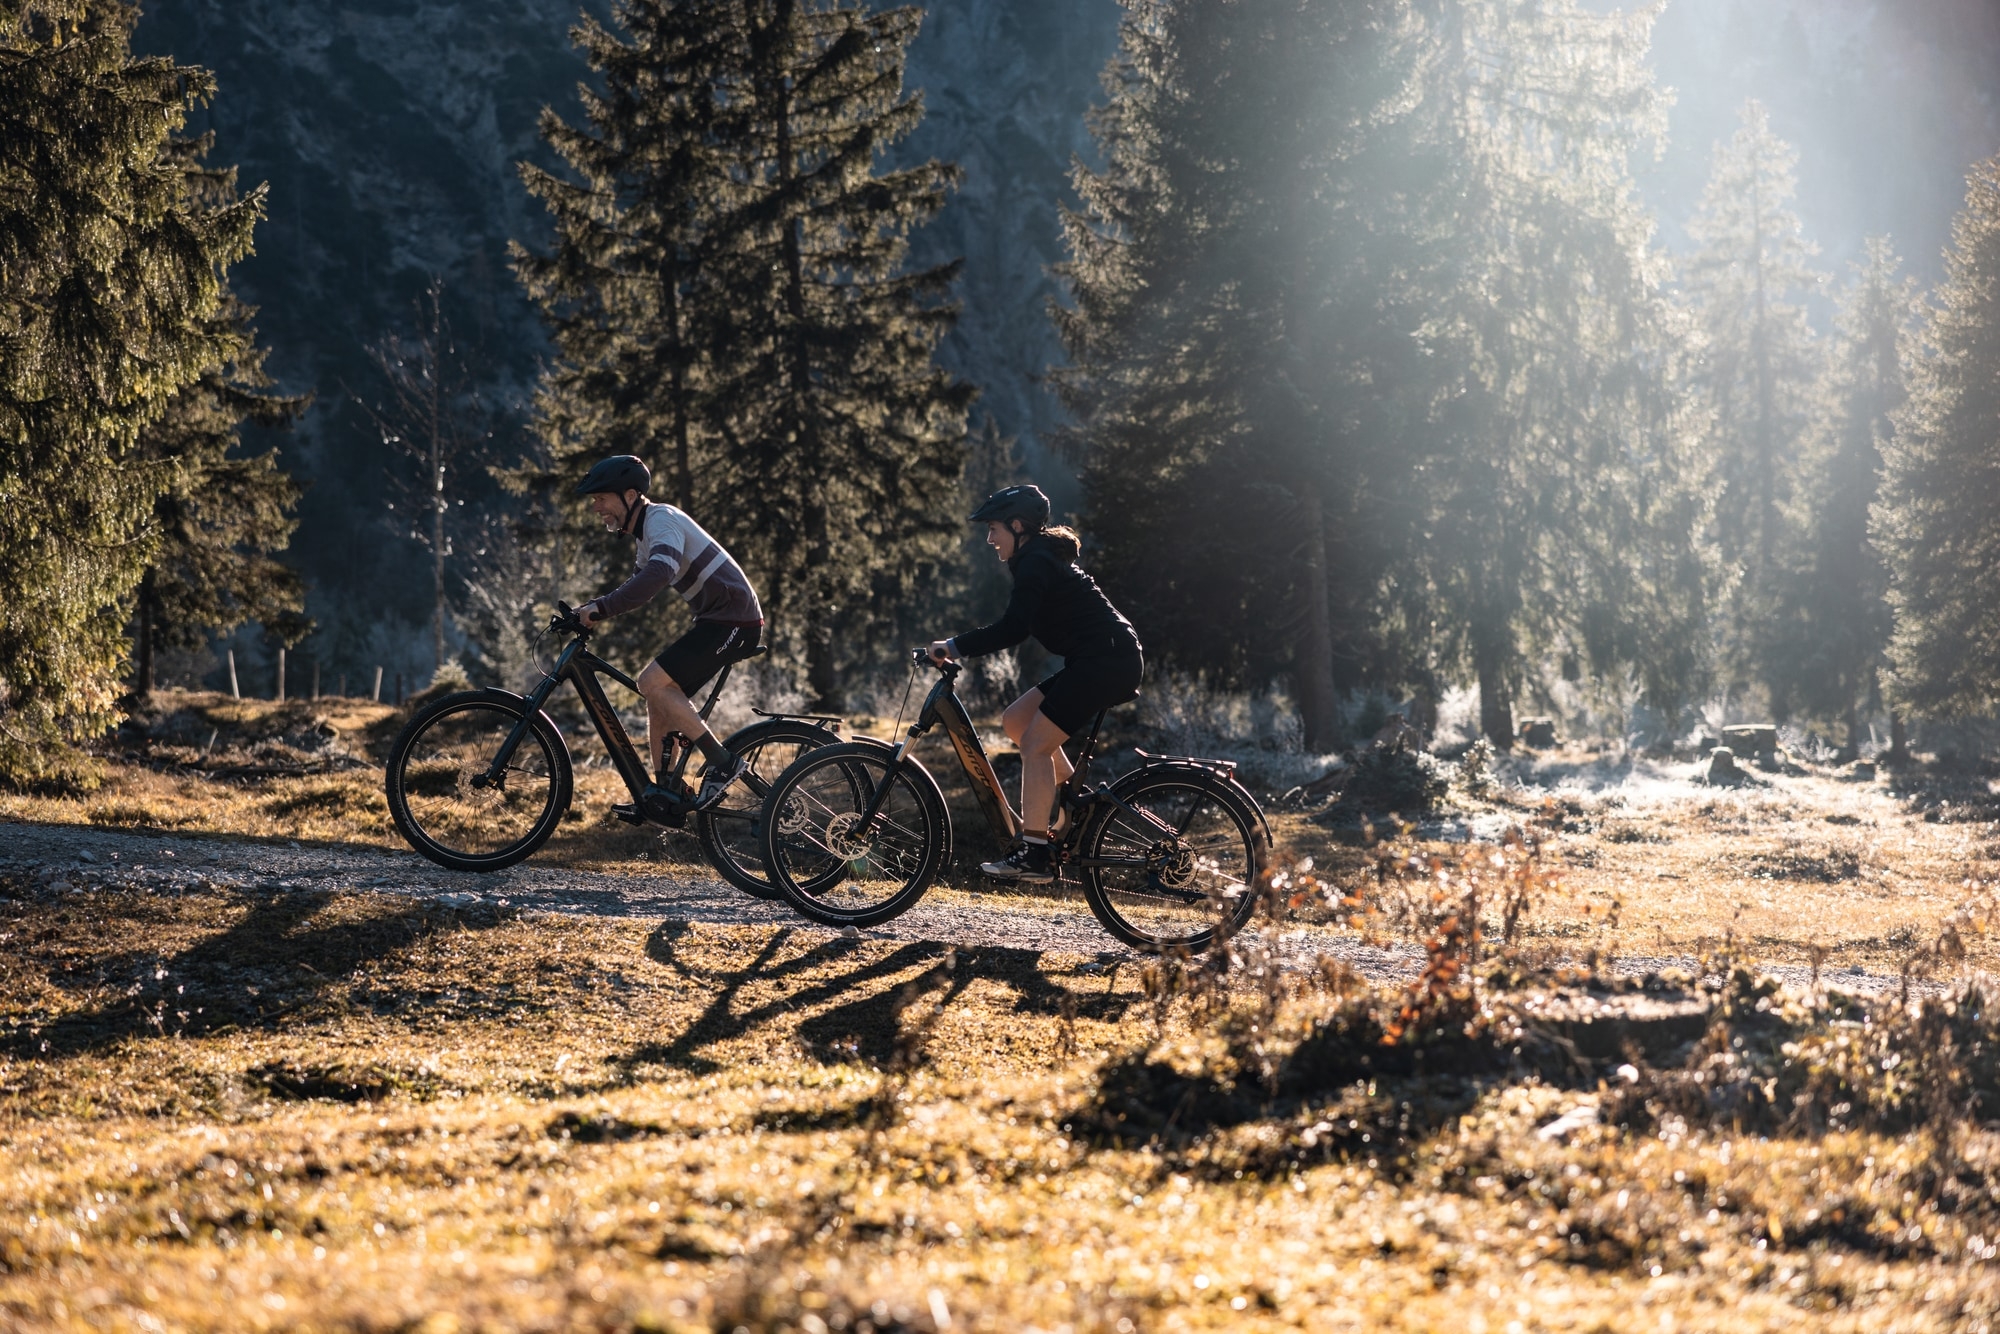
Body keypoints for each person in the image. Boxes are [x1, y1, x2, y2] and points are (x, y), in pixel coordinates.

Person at [929, 484, 1143, 883]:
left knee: (1034, 745)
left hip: (1108, 662)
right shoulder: (1035, 558)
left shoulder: (1036, 561)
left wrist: (954, 646)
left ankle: (1036, 853)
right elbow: (1019, 626)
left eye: (994, 529)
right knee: (1016, 721)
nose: (990, 539)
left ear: (1017, 525)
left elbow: (1013, 628)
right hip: (1102, 659)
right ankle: (1070, 803)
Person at [572, 455, 763, 816]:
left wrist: (600, 609)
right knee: (658, 693)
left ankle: (722, 762)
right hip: (718, 620)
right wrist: (591, 609)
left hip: (735, 621)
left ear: (630, 495)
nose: (597, 508)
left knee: (651, 682)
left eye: (601, 498)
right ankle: (662, 795)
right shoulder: (646, 533)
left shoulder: (661, 520)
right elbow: (637, 586)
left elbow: (659, 573)